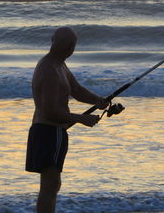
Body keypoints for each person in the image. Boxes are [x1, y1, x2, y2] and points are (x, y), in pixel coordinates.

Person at [25, 27, 109, 213]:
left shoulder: (59, 65)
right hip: (48, 131)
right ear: (71, 47)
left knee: (52, 186)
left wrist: (97, 100)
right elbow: (49, 112)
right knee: (50, 186)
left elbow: (76, 90)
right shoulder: (50, 70)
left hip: (54, 132)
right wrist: (81, 119)